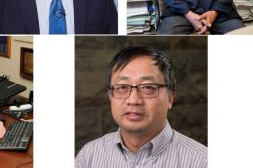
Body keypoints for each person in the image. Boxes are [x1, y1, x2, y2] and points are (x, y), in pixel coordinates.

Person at [75, 46, 207, 167]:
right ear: (110, 96)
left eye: (148, 87)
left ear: (170, 98)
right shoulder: (89, 156)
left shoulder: (202, 161)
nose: (133, 100)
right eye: (122, 87)